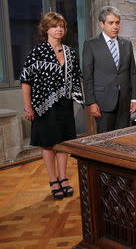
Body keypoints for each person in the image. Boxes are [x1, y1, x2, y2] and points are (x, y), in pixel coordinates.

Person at [20, 12, 83, 199]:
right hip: (43, 106)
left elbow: (76, 77)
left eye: (61, 26)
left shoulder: (70, 52)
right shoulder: (37, 52)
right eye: (55, 26)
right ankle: (53, 179)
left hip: (65, 105)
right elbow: (26, 81)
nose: (59, 29)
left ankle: (63, 178)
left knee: (62, 143)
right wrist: (28, 107)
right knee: (48, 144)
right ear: (46, 29)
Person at [83, 6, 136, 133]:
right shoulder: (91, 44)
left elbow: (132, 73)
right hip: (103, 102)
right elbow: (87, 76)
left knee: (123, 139)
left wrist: (134, 98)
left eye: (117, 23)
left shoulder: (126, 44)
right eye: (111, 23)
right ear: (101, 24)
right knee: (105, 141)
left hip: (124, 101)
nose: (115, 26)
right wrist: (91, 102)